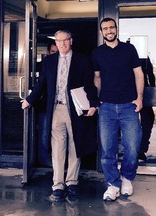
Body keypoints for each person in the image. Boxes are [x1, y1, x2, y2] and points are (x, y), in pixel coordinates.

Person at [21, 29, 99, 202]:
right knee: (57, 148)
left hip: (75, 110)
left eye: (65, 40)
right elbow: (41, 84)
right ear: (55, 43)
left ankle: (72, 183)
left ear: (71, 41)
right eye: (58, 41)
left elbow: (89, 84)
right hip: (56, 110)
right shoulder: (49, 61)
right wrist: (30, 100)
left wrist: (94, 104)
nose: (62, 44)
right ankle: (57, 185)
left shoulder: (82, 60)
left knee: (74, 145)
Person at [92, 17, 144, 201]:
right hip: (106, 107)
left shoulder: (129, 49)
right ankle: (113, 184)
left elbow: (139, 73)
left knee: (132, 146)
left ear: (116, 29)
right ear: (102, 32)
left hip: (128, 105)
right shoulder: (97, 53)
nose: (109, 31)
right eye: (105, 29)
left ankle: (127, 178)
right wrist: (99, 99)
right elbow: (96, 78)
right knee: (107, 149)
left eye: (111, 27)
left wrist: (139, 98)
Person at [36, 40, 58, 167]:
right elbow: (40, 85)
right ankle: (44, 159)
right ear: (48, 52)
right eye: (53, 51)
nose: (55, 54)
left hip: (61, 105)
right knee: (44, 133)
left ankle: (59, 160)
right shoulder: (43, 65)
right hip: (45, 104)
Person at [138, 57, 155, 161]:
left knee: (148, 119)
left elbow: (150, 73)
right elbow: (150, 74)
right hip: (137, 90)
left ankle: (141, 149)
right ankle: (140, 149)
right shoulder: (127, 52)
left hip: (144, 90)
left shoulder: (144, 56)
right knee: (147, 120)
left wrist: (152, 90)